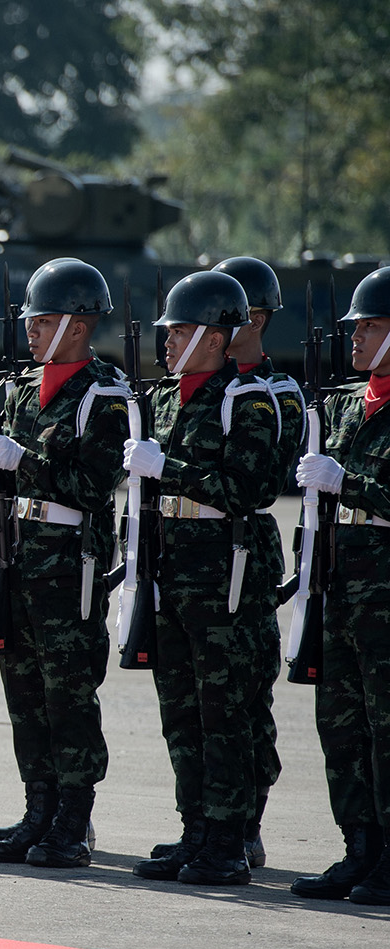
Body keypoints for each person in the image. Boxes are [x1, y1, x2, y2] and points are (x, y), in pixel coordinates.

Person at [123, 269, 279, 887]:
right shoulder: (165, 399)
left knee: (226, 713)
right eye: (168, 330)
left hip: (225, 579)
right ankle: (195, 830)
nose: (167, 341)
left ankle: (229, 839)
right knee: (181, 712)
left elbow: (252, 489)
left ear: (216, 339)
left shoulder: (247, 400)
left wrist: (174, 470)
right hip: (172, 574)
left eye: (181, 331)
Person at [0, 258, 128, 867]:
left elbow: (94, 486)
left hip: (69, 563)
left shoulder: (104, 394)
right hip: (19, 555)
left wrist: (24, 462)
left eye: (43, 320)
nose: (31, 330)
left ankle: (74, 817)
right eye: (31, 320)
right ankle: (38, 808)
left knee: (68, 693)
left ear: (78, 325)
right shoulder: (21, 389)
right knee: (24, 691)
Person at [290, 266, 390, 905]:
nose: (355, 337)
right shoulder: (351, 405)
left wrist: (345, 483)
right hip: (343, 591)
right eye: (355, 326)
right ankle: (361, 849)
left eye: (371, 326)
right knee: (342, 725)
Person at [206, 254, 302, 868]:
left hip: (246, 555)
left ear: (257, 317)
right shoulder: (201, 387)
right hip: (194, 558)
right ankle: (208, 825)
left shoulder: (276, 391)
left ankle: (248, 821)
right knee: (199, 701)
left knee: (244, 697)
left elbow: (260, 473)